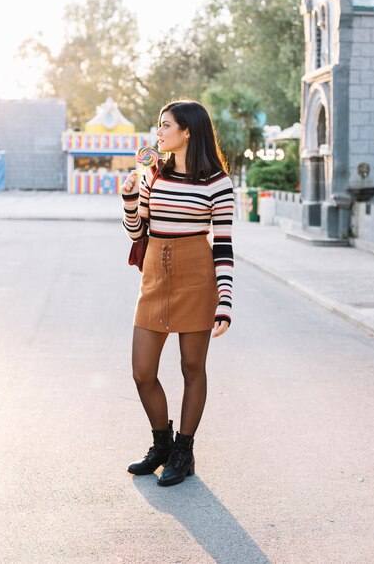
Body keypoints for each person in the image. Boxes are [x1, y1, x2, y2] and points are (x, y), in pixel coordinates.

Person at [121, 99, 234, 487]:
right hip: (155, 275)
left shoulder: (218, 183)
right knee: (141, 371)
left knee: (192, 367)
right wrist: (129, 199)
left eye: (165, 125)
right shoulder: (153, 174)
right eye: (158, 125)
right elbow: (138, 233)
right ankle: (162, 444)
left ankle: (184, 451)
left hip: (196, 275)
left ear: (187, 131)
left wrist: (225, 300)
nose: (159, 132)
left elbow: (223, 246)